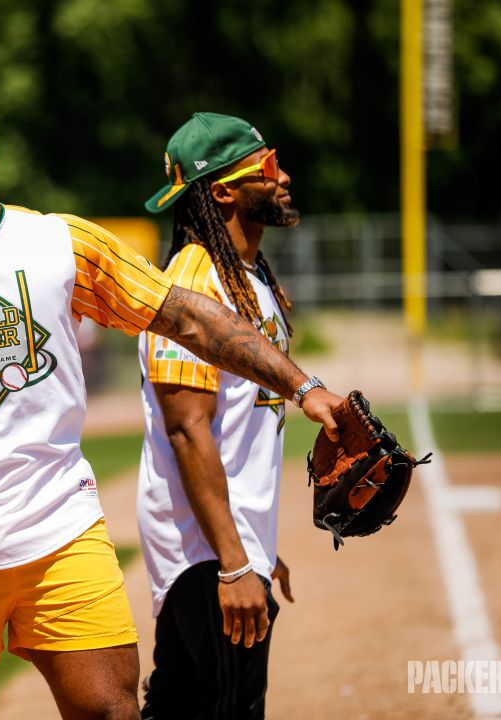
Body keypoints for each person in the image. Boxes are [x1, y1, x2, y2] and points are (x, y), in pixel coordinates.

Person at [0, 90, 341, 720]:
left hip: (59, 532)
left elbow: (187, 317)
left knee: (111, 710)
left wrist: (302, 387)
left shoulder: (57, 243)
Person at [137, 112, 307, 719]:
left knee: (185, 705)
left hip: (224, 543)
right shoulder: (192, 284)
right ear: (223, 192)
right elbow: (188, 430)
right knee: (231, 709)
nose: (283, 176)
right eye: (267, 167)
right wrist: (235, 561)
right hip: (203, 554)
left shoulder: (251, 276)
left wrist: (258, 546)